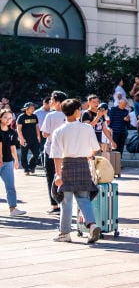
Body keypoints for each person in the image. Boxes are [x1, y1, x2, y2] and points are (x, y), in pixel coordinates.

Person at [48, 98, 102, 243]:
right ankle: (92, 225)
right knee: (84, 199)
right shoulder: (87, 128)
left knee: (66, 202)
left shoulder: (59, 131)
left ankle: (65, 233)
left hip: (66, 165)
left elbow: (56, 156)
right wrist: (85, 155)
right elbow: (95, 149)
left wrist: (58, 174)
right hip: (83, 165)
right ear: (77, 111)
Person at [39, 90, 69, 214]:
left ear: (57, 102)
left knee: (51, 176)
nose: (50, 101)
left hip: (51, 150)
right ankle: (66, 203)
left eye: (52, 99)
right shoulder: (70, 114)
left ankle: (55, 205)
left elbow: (45, 133)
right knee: (66, 177)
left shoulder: (50, 116)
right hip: (67, 151)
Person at [1, 110, 26, 216]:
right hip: (1, 161)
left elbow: (13, 146)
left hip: (8, 162)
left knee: (10, 186)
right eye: (5, 117)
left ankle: (13, 209)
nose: (8, 120)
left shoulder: (12, 132)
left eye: (10, 118)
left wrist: (16, 160)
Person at [16, 102, 41, 175]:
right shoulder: (21, 117)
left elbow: (37, 127)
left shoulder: (34, 116)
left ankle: (31, 166)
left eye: (34, 108)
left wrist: (38, 136)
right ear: (27, 109)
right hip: (25, 139)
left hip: (34, 139)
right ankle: (26, 169)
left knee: (37, 154)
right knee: (24, 155)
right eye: (32, 108)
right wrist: (21, 138)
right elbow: (18, 128)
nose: (33, 109)